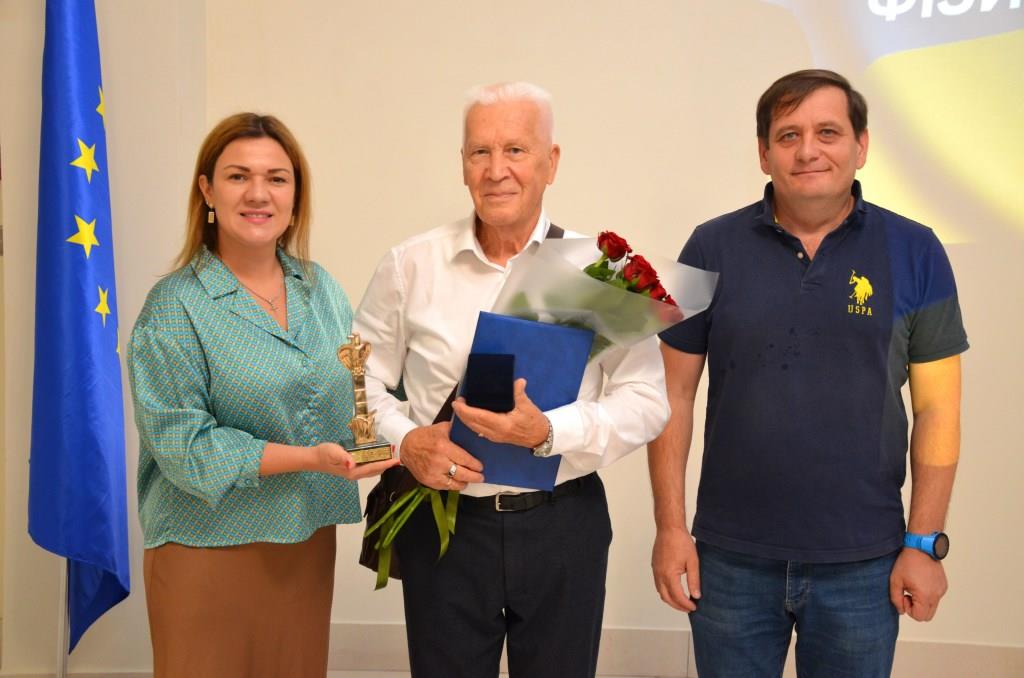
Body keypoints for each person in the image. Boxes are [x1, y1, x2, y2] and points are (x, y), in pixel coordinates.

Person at [648, 69, 968, 677]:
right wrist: (670, 528)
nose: (808, 150)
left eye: (828, 132)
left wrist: (924, 543)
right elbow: (673, 395)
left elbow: (937, 410)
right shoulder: (708, 247)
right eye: (788, 135)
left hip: (865, 564)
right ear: (764, 153)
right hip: (729, 560)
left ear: (861, 146)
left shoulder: (917, 249)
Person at [354, 82, 669, 678]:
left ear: (552, 162)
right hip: (444, 526)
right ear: (463, 164)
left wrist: (551, 431)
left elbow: (649, 400)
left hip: (564, 524)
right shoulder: (410, 265)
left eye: (516, 150)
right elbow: (357, 381)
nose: (496, 170)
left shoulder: (600, 273)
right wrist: (406, 441)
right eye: (480, 152)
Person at [127, 113, 398, 678]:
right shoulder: (174, 307)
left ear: (295, 197)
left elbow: (354, 393)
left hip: (305, 543)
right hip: (207, 547)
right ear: (207, 191)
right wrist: (309, 458)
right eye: (238, 176)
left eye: (276, 178)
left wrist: (388, 441)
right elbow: (185, 447)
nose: (258, 193)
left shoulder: (320, 288)